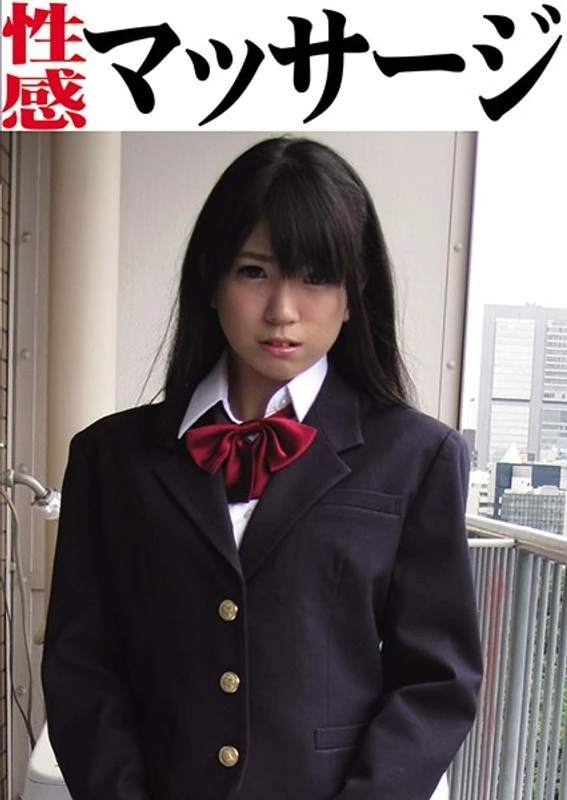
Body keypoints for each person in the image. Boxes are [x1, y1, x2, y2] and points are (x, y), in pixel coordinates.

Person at [42, 136, 484, 800]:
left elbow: (436, 681)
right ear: (210, 279)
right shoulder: (110, 458)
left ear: (354, 291)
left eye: (315, 277)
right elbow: (81, 666)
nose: (282, 310)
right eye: (253, 272)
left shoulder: (417, 457)